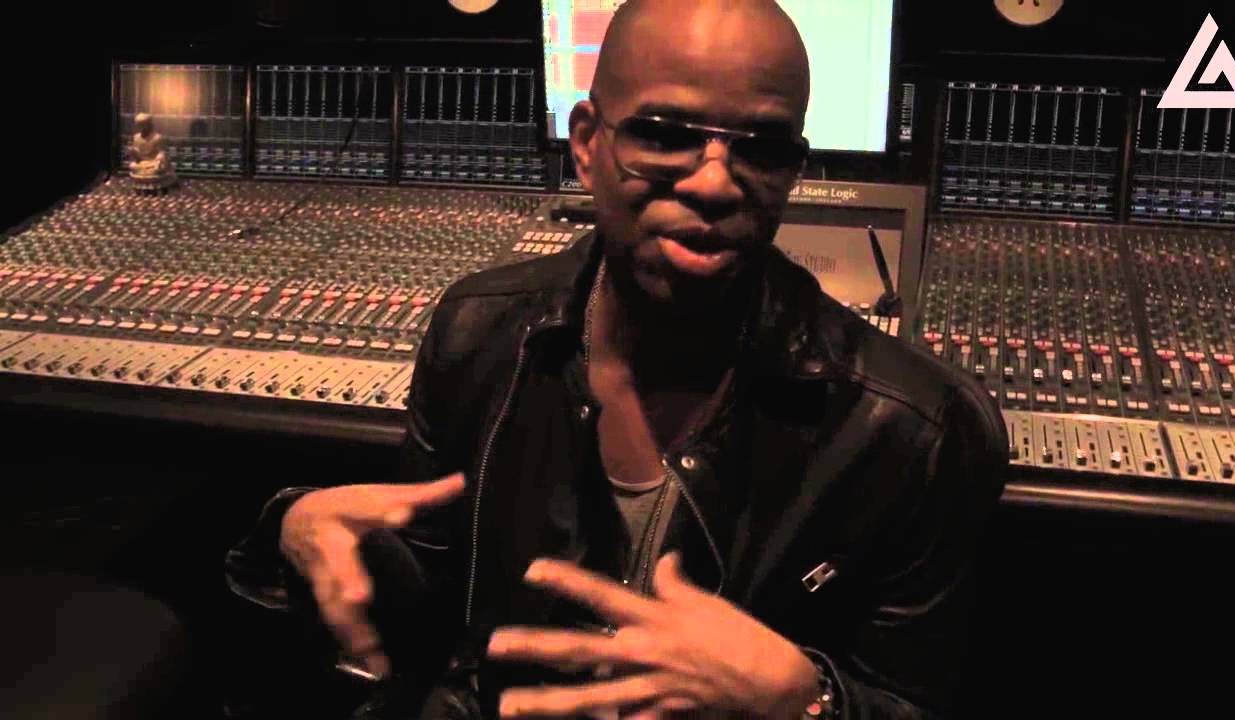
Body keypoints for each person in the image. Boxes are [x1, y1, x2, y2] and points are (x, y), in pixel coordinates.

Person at [225, 1, 1009, 717]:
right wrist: (292, 525)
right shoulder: (478, 333)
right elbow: (428, 595)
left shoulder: (914, 430)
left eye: (763, 149)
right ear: (587, 143)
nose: (715, 182)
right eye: (665, 134)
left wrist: (807, 702)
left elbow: (915, 702)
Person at [126, 113, 177, 191]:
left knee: (156, 170)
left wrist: (159, 159)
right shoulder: (136, 137)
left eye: (143, 125)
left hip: (153, 163)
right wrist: (132, 151)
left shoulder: (157, 138)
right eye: (139, 125)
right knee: (133, 166)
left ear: (149, 125)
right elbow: (137, 155)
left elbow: (162, 153)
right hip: (142, 163)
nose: (141, 127)